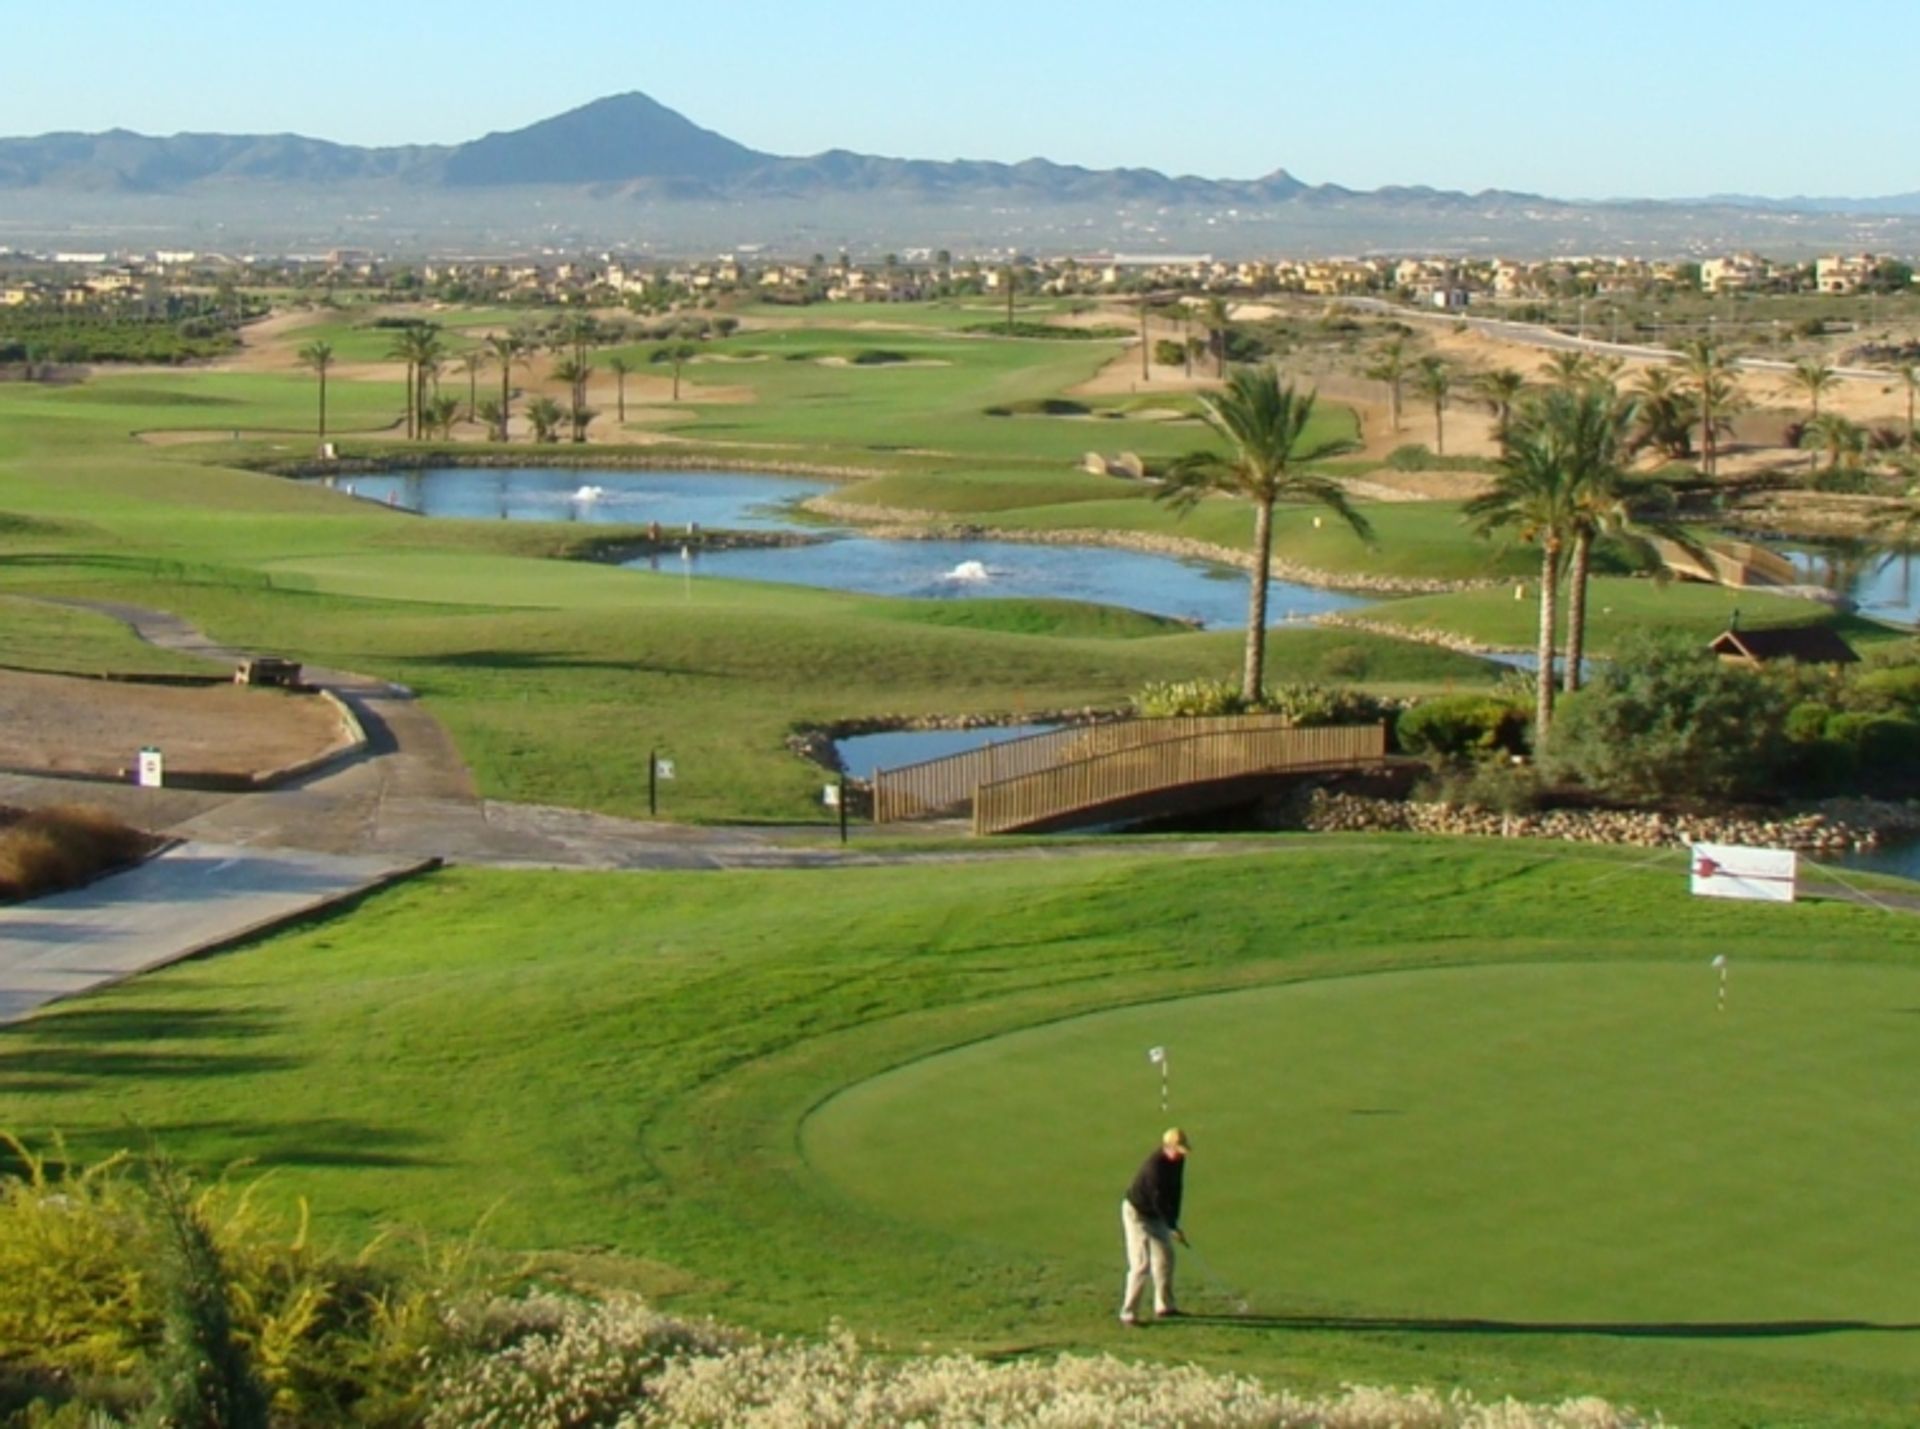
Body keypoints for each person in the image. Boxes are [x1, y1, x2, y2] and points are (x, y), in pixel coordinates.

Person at [1119, 1127, 1189, 1325]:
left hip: (1156, 1214)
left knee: (1166, 1256)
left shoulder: (1179, 1160)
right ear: (1168, 1146)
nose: (1181, 1153)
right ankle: (1128, 1313)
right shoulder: (1155, 1167)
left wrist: (1175, 1222)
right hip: (1137, 1214)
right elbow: (1157, 1200)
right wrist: (1171, 1227)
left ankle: (1165, 1306)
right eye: (1178, 1149)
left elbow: (1176, 1190)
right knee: (1141, 1264)